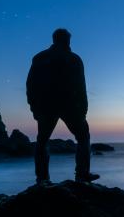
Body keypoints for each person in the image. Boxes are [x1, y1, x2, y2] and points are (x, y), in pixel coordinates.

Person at [26, 28, 100, 184]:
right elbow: (81, 87)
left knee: (42, 142)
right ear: (68, 40)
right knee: (83, 137)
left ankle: (42, 178)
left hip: (46, 106)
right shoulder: (74, 59)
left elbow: (30, 85)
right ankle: (82, 174)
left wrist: (34, 107)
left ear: (54, 40)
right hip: (70, 105)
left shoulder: (40, 58)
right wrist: (84, 109)